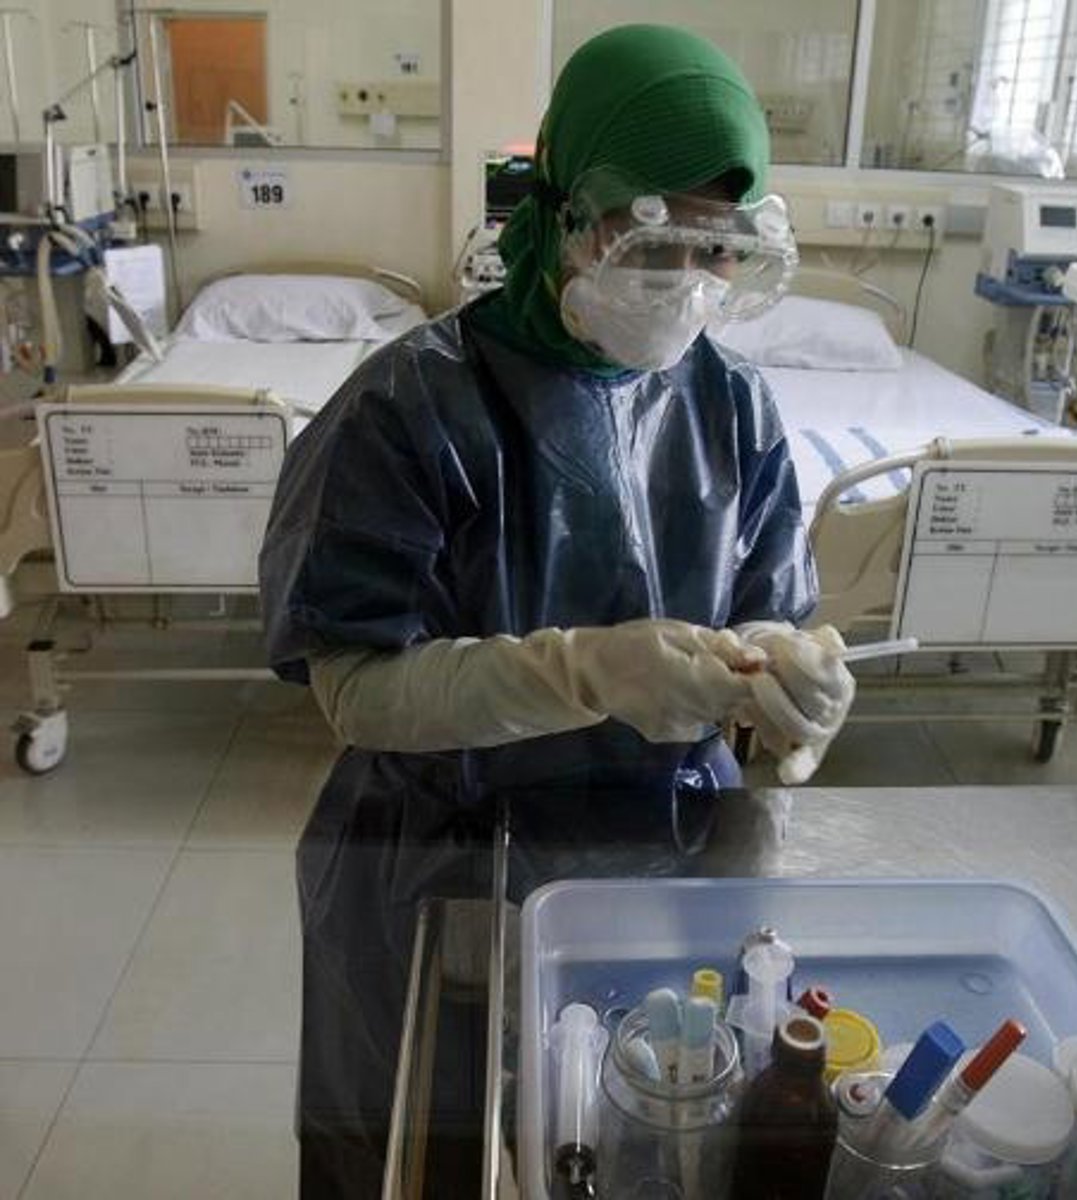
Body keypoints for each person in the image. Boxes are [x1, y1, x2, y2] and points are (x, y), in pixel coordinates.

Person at [259, 23, 856, 1197]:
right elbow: (356, 690)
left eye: (718, 249)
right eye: (654, 239)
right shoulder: (410, 407)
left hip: (668, 864)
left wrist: (790, 686)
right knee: (419, 1154)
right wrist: (581, 675)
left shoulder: (734, 408)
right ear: (564, 208)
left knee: (648, 1143)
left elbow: (766, 619)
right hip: (434, 873)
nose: (685, 281)